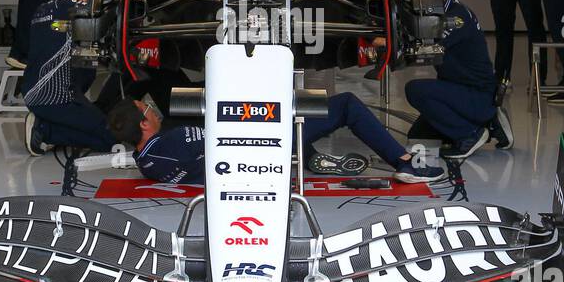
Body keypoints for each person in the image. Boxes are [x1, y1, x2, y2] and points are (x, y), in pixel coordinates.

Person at [107, 92, 446, 185]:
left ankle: (312, 156)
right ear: (145, 125)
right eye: (145, 108)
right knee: (345, 106)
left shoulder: (148, 161)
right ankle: (405, 163)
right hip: (267, 144)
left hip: (256, 151)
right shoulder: (177, 140)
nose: (151, 109)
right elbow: (231, 136)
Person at [404, 0, 513, 158]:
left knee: (415, 89)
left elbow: (422, 50)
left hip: (475, 93)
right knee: (418, 137)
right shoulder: (434, 11)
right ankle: (490, 121)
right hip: (458, 88)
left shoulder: (457, 17)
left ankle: (470, 134)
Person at [23, 0, 115, 155]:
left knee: (96, 123)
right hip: (59, 98)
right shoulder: (77, 11)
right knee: (111, 138)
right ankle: (45, 130)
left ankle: (51, 124)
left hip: (32, 92)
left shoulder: (43, 9)